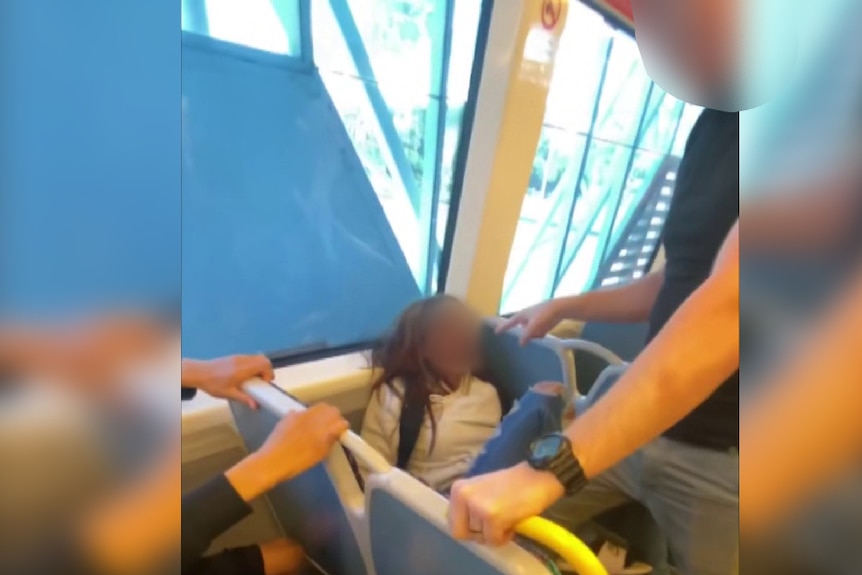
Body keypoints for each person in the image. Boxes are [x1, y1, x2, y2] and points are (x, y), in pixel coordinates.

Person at [448, 110, 740, 575]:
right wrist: (567, 306)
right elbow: (676, 280)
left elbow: (730, 308)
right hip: (637, 427)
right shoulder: (712, 127)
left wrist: (551, 469)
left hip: (729, 458)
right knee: (497, 530)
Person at [360, 294, 570, 493]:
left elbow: (502, 452)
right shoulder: (397, 395)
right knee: (542, 401)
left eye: (464, 330)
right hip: (436, 501)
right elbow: (370, 469)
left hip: (492, 488)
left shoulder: (487, 393)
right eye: (446, 332)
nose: (460, 339)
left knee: (547, 405)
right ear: (424, 348)